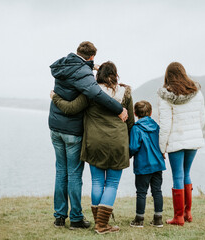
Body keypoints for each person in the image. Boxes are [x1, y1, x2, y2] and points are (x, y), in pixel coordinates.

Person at [48, 41, 128, 229]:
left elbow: (78, 72)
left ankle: (60, 216)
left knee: (61, 171)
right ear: (91, 57)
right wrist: (119, 109)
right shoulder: (83, 73)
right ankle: (75, 218)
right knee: (74, 174)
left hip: (55, 127)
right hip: (72, 131)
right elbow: (96, 93)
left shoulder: (65, 64)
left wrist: (91, 67)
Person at [157, 62, 205, 226]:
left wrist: (161, 147)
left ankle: (178, 217)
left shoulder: (165, 96)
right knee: (186, 174)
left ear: (168, 76)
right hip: (193, 140)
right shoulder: (197, 93)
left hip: (176, 141)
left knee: (177, 175)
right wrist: (194, 133)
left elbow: (165, 125)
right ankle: (187, 213)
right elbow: (202, 119)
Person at [128, 100, 166, 228]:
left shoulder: (136, 128)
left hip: (143, 165)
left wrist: (127, 155)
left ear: (135, 113)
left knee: (141, 192)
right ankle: (158, 219)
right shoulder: (156, 126)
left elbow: (133, 146)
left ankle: (139, 219)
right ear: (151, 112)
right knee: (157, 191)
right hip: (157, 164)